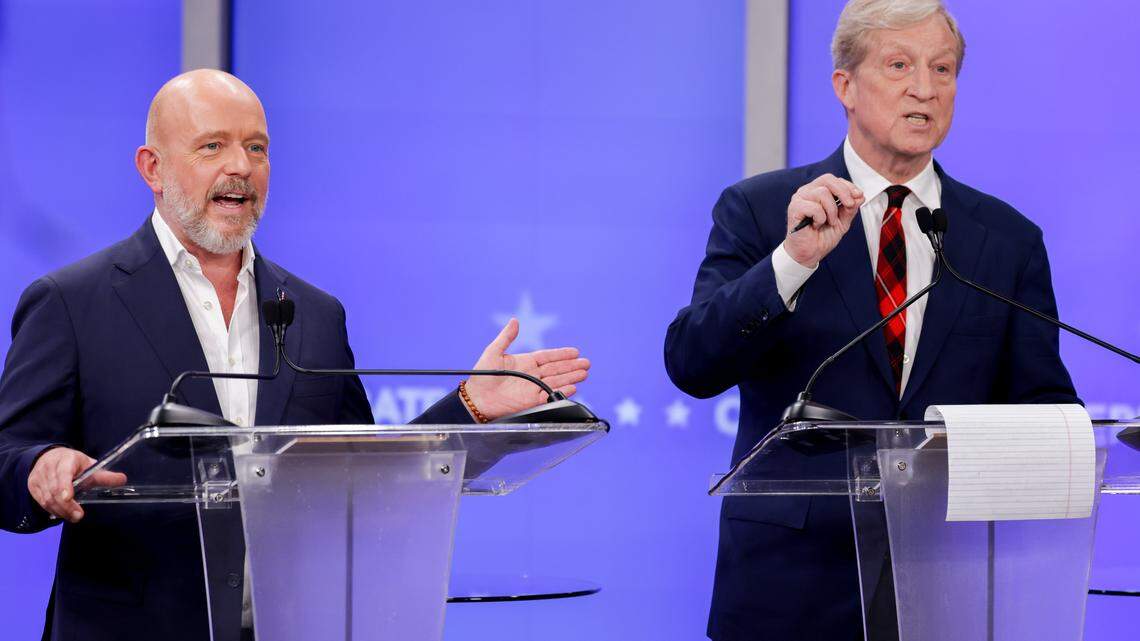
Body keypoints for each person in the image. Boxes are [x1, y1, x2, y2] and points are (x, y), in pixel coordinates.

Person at [0, 69, 590, 641]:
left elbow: (366, 478)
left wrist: (470, 406)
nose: (241, 166)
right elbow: (5, 458)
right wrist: (38, 467)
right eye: (213, 146)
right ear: (152, 167)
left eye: (256, 148)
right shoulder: (71, 302)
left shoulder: (314, 313)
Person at [664, 1, 1078, 639]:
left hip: (945, 587)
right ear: (845, 86)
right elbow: (692, 363)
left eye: (942, 69)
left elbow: (1043, 411)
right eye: (899, 65)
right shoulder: (763, 210)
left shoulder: (1006, 241)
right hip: (788, 590)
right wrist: (792, 262)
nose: (925, 89)